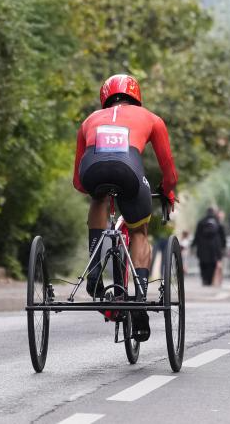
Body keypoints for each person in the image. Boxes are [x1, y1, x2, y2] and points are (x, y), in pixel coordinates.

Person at [73, 73, 177, 342]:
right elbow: (169, 173)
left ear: (104, 97)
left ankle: (95, 268)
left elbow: (78, 182)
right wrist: (167, 192)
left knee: (97, 198)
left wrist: (100, 189)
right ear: (137, 96)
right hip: (129, 169)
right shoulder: (152, 119)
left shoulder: (89, 120)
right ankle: (140, 298)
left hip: (92, 170)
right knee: (140, 232)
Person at [192, 207, 225, 286]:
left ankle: (204, 279)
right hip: (214, 246)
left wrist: (193, 244)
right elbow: (222, 235)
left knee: (203, 263)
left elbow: (197, 234)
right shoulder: (217, 222)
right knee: (212, 264)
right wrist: (223, 245)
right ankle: (210, 280)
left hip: (202, 246)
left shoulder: (201, 221)